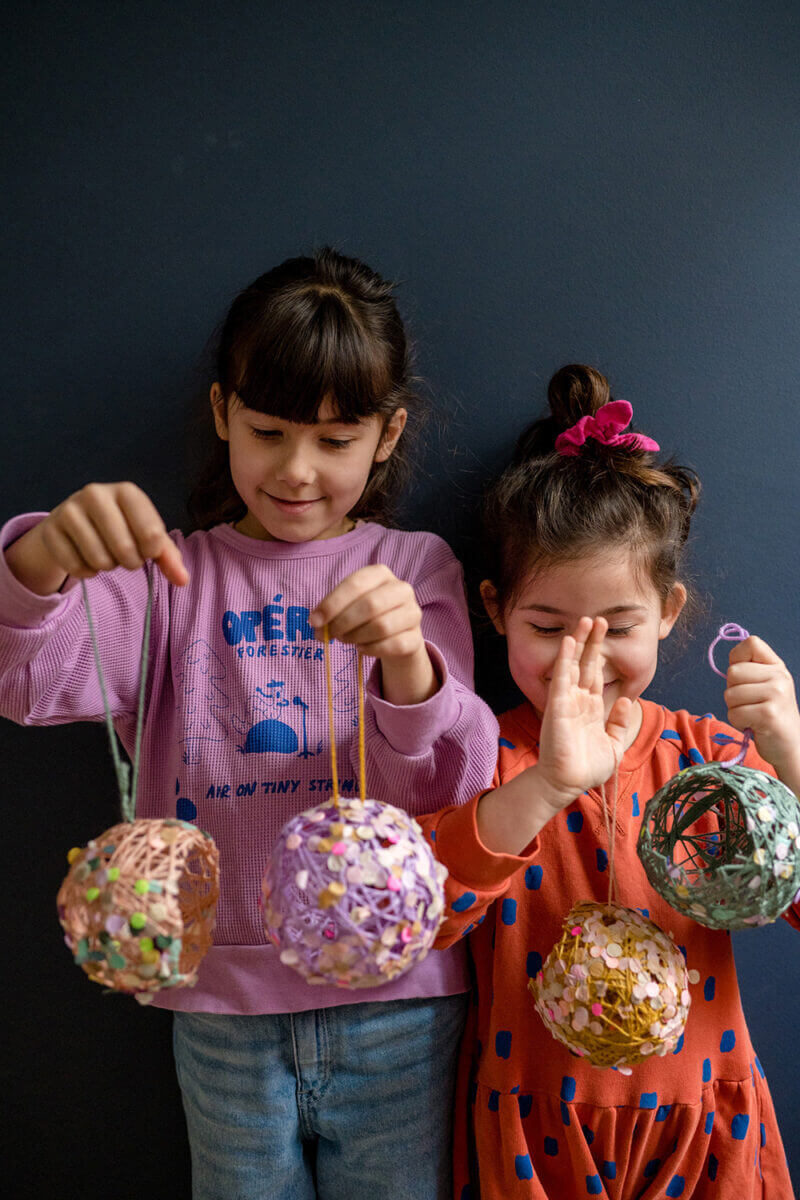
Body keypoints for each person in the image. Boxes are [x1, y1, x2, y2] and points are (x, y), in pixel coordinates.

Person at [0, 248, 499, 1200]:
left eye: (337, 439)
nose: (297, 471)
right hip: (220, 1004)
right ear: (225, 412)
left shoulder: (414, 566)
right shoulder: (167, 577)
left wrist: (408, 662)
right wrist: (43, 560)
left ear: (388, 435)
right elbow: (28, 678)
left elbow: (452, 784)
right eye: (268, 431)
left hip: (396, 1003)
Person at [420, 364, 800, 1199]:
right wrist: (551, 784)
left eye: (618, 627)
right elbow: (423, 914)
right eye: (547, 628)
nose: (582, 661)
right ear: (494, 609)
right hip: (536, 1133)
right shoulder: (481, 755)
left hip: (703, 1123)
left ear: (669, 610)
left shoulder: (712, 761)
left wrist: (792, 756)